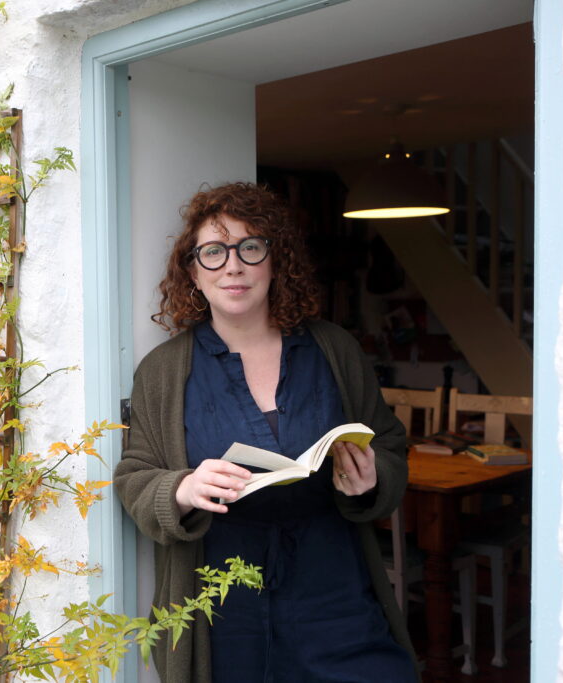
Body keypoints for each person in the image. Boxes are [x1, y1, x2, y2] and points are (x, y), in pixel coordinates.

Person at [114, 182, 418, 682]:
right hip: (220, 599)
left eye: (249, 248)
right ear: (192, 270)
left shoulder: (333, 350)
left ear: (276, 262)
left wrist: (371, 478)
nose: (233, 266)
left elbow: (389, 444)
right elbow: (135, 475)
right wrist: (183, 488)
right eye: (213, 252)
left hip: (333, 584)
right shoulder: (164, 370)